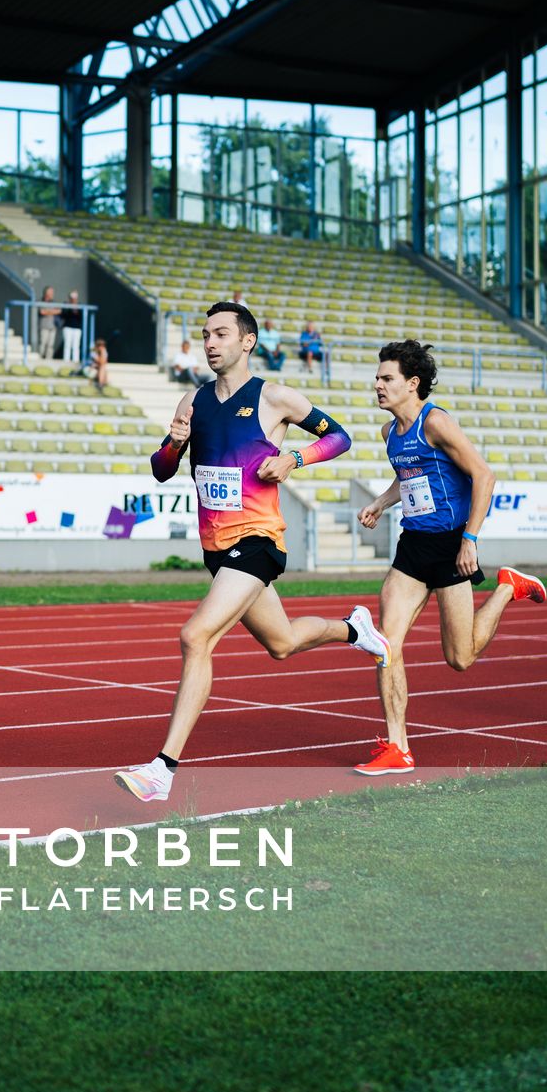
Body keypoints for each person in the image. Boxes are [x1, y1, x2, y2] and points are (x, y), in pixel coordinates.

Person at [114, 301, 390, 804]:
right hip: (217, 549)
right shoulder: (192, 402)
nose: (211, 342)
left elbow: (340, 437)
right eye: (205, 334)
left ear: (247, 342)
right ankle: (356, 629)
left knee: (195, 636)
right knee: (282, 643)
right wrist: (175, 444)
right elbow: (160, 468)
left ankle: (162, 769)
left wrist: (294, 457)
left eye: (221, 333)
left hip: (259, 541)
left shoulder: (275, 397)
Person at [352, 339, 546, 777]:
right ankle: (397, 746)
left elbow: (483, 474)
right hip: (413, 546)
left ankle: (506, 589)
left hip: (451, 546)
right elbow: (409, 477)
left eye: (387, 379)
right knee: (385, 644)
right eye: (377, 378)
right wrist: (382, 502)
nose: (377, 386)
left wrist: (470, 539)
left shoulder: (435, 422)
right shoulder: (390, 433)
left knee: (460, 658)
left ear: (412, 384)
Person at [60, 290, 83, 366]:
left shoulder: (80, 306)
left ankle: (75, 362)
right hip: (67, 327)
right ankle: (66, 362)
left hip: (77, 328)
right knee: (67, 345)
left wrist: (76, 309)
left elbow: (81, 316)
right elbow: (63, 314)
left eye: (75, 298)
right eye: (72, 297)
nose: (73, 299)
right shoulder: (66, 305)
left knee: (76, 346)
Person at [37, 286, 61, 360]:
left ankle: (48, 359)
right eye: (50, 292)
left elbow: (59, 311)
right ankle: (40, 358)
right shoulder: (41, 301)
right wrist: (52, 312)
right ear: (46, 293)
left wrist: (48, 312)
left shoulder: (54, 302)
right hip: (44, 326)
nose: (52, 294)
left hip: (52, 326)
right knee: (43, 343)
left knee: (50, 345)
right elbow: (42, 312)